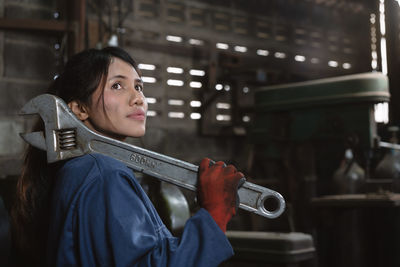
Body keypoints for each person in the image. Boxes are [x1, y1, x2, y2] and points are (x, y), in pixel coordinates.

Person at [11, 46, 245, 267]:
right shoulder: (103, 174)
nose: (138, 99)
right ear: (79, 109)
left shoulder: (80, 168)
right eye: (117, 86)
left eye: (139, 87)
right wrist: (214, 213)